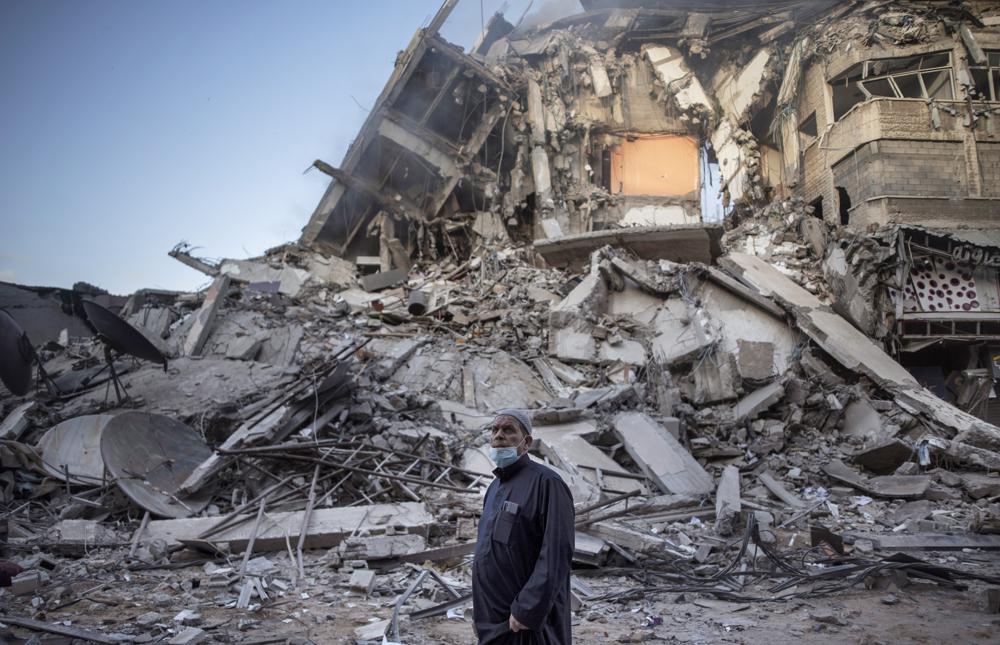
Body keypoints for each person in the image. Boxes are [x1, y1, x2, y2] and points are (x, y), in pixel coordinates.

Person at [472, 409, 575, 644]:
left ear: (526, 442)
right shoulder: (494, 488)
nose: (499, 435)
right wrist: (480, 615)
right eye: (494, 430)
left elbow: (556, 554)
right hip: (493, 619)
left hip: (525, 623)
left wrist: (527, 608)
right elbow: (486, 554)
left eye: (508, 430)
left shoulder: (547, 484)